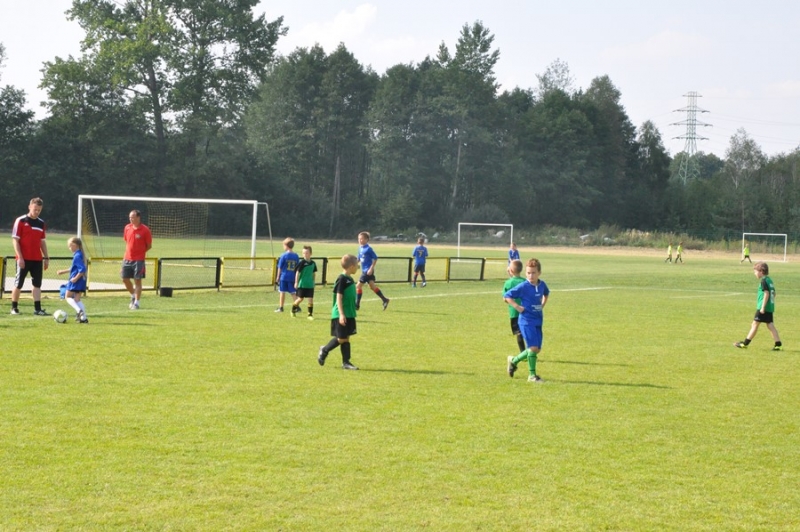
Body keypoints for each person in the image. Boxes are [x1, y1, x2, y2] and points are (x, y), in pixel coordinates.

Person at [504, 258, 550, 383]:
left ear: (539, 273)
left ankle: (514, 361)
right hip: (526, 321)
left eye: (533, 273)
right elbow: (507, 296)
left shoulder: (542, 285)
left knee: (537, 349)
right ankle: (532, 376)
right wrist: (517, 307)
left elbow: (546, 293)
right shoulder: (524, 286)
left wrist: (542, 304)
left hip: (538, 320)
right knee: (533, 347)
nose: (531, 275)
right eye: (528, 273)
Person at [317, 254, 360, 370]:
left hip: (349, 313)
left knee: (346, 338)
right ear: (351, 266)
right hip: (341, 313)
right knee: (341, 338)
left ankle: (346, 362)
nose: (358, 267)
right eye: (357, 265)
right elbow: (339, 297)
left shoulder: (350, 279)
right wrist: (341, 314)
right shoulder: (342, 279)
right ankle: (324, 350)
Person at [10, 197, 50, 316]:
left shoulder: (41, 223)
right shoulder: (21, 221)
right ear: (29, 207)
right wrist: (20, 257)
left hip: (37, 259)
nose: (37, 212)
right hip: (24, 259)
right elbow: (15, 240)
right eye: (35, 209)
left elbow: (42, 242)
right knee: (18, 283)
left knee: (37, 284)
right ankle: (14, 308)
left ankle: (37, 309)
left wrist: (46, 257)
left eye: (39, 210)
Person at [734, 261, 782, 351]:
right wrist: (770, 304)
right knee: (770, 325)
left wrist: (763, 307)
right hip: (769, 307)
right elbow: (774, 293)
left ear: (761, 271)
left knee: (755, 324)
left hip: (763, 307)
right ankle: (778, 345)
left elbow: (766, 293)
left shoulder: (763, 281)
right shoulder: (769, 280)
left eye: (755, 271)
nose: (754, 273)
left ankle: (745, 344)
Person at [121, 209, 152, 310]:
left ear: (138, 217)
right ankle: (133, 295)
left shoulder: (145, 230)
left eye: (133, 217)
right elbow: (127, 241)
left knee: (137, 280)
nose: (131, 219)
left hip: (139, 260)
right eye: (130, 217)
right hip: (127, 258)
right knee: (124, 279)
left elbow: (149, 245)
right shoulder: (127, 228)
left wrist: (140, 252)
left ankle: (137, 303)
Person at [56, 237, 89, 323]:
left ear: (75, 245)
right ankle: (84, 318)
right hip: (82, 280)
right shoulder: (80, 254)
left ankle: (79, 311)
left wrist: (75, 278)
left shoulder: (77, 256)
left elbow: (82, 269)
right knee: (77, 299)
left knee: (67, 297)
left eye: (70, 246)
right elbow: (74, 267)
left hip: (76, 280)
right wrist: (63, 271)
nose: (69, 248)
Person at [356, 231, 390, 310]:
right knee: (372, 286)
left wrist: (371, 268)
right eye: (359, 239)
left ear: (366, 240)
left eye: (361, 239)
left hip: (367, 271)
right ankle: (384, 299)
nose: (360, 240)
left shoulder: (368, 249)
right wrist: (355, 264)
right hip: (365, 270)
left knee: (358, 286)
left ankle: (357, 305)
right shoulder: (360, 248)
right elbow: (359, 258)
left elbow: (375, 258)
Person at [503, 259, 527, 354]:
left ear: (511, 270)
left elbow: (505, 299)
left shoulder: (508, 283)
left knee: (519, 333)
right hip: (526, 311)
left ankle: (523, 353)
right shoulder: (525, 281)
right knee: (526, 331)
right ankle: (531, 350)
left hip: (514, 312)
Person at [291, 245, 317, 320]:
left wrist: (313, 282)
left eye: (307, 253)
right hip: (302, 284)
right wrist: (296, 282)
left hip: (310, 285)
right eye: (303, 253)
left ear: (311, 253)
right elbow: (297, 273)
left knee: (310, 299)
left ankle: (310, 315)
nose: (305, 254)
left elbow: (313, 273)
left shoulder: (313, 263)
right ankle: (293, 310)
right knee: (300, 299)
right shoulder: (302, 263)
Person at [274, 237, 299, 313]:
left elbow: (280, 267)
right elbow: (297, 267)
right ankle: (297, 306)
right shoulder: (296, 256)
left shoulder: (283, 255)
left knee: (282, 292)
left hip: (284, 277)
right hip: (292, 277)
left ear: (286, 246)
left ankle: (281, 307)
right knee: (293, 293)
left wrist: (277, 277)